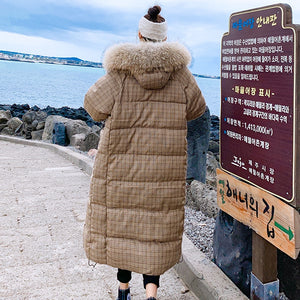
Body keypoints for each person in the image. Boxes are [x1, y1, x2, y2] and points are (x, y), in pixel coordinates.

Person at [83, 5, 206, 300]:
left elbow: (92, 105)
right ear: (165, 40)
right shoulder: (182, 76)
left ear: (139, 34)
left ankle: (123, 290)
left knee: (126, 227)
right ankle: (151, 293)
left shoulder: (120, 73)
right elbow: (197, 109)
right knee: (154, 230)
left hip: (122, 168)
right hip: (163, 173)